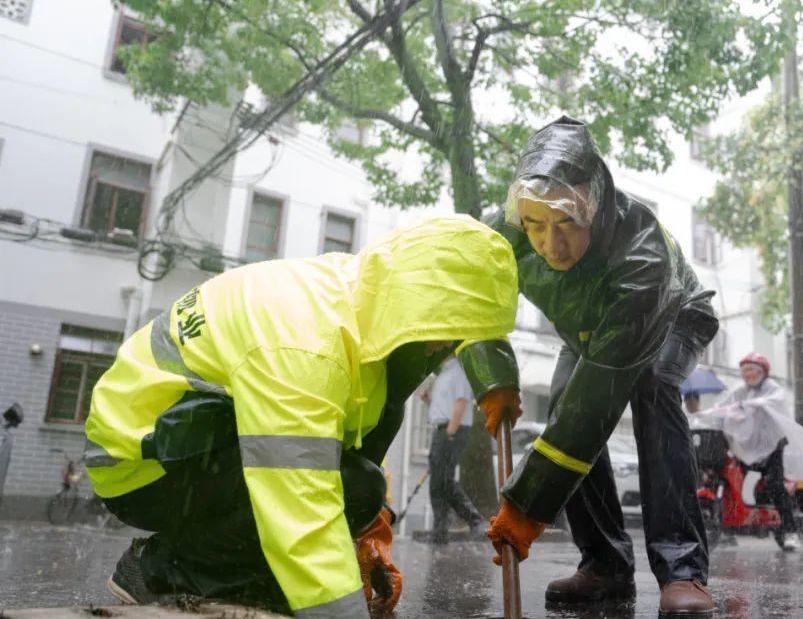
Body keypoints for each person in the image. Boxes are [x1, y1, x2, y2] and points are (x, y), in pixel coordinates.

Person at [84, 215, 520, 618]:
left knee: (360, 489)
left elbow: (344, 456)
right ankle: (162, 567)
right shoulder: (307, 345)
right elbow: (300, 507)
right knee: (340, 504)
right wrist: (341, 608)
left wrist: (366, 537)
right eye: (445, 332)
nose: (441, 348)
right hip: (139, 462)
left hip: (185, 441)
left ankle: (221, 567)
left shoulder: (364, 303)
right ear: (418, 305)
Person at [467, 116, 720, 616]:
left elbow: (597, 399)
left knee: (649, 387)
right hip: (586, 332)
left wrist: (528, 502)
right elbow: (472, 300)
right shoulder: (507, 231)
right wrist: (492, 377)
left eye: (567, 226)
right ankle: (605, 565)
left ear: (595, 207)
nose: (551, 245)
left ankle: (683, 568)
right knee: (564, 401)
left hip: (669, 313)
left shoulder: (640, 254)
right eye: (537, 227)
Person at [695, 353, 803, 551]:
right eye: (745, 371)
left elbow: (773, 401)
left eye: (752, 370)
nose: (748, 375)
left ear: (763, 372)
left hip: (772, 445)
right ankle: (726, 523)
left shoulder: (772, 388)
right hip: (746, 446)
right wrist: (707, 415)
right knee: (727, 475)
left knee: (774, 483)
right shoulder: (741, 391)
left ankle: (790, 532)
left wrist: (749, 406)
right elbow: (723, 406)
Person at [422, 356, 485, 543]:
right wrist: (428, 400)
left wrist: (450, 431)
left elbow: (461, 402)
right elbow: (444, 405)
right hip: (442, 429)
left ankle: (474, 518)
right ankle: (439, 532)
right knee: (437, 483)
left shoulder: (459, 371)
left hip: (452, 430)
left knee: (444, 480)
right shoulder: (443, 374)